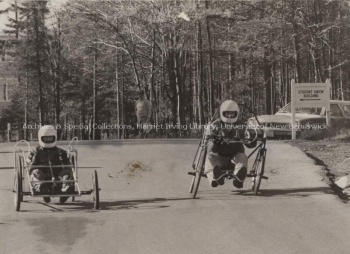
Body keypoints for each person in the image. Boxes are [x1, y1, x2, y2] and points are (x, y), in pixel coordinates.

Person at [204, 100, 257, 188]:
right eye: (227, 113)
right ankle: (215, 178)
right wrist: (214, 141)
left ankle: (238, 178)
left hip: (234, 157)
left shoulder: (242, 125)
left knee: (243, 157)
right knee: (209, 158)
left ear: (237, 113)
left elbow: (250, 144)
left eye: (232, 113)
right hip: (218, 156)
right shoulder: (215, 125)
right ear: (222, 113)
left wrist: (251, 139)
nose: (229, 115)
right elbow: (207, 145)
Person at [27, 125, 73, 203]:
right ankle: (42, 188)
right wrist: (34, 159)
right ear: (41, 138)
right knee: (36, 172)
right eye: (45, 138)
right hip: (42, 175)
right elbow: (30, 167)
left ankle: (66, 189)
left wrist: (63, 159)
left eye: (50, 138)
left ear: (54, 137)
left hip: (57, 175)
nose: (48, 140)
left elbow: (67, 167)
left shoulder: (61, 151)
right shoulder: (34, 151)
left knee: (67, 173)